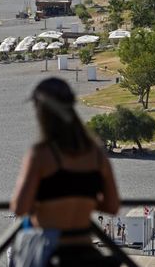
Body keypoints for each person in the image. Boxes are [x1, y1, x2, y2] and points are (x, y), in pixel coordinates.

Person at [10, 78, 120, 266]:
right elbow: (112, 206)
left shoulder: (41, 154)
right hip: (87, 252)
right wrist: (81, 198)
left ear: (41, 112)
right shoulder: (96, 153)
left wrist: (53, 203)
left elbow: (20, 207)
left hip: (51, 251)